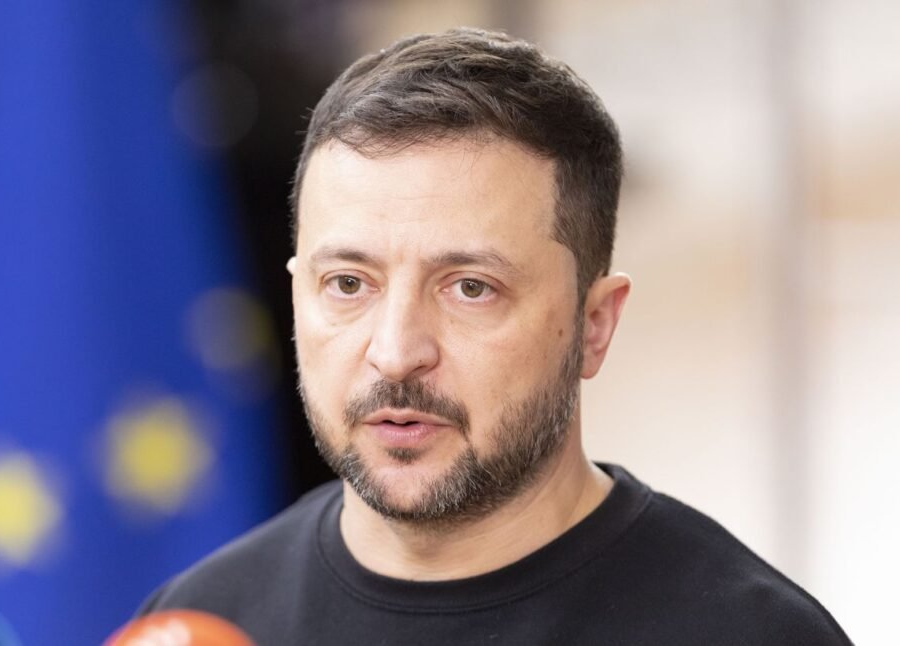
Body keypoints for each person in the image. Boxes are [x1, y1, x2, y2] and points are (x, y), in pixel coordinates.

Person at [139, 27, 850, 645]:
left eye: (470, 288)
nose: (395, 352)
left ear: (595, 325)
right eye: (349, 284)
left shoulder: (748, 634)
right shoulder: (205, 619)